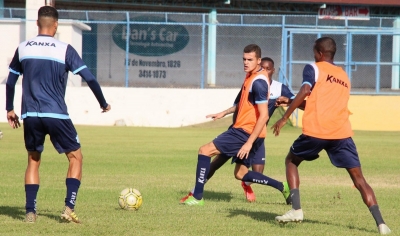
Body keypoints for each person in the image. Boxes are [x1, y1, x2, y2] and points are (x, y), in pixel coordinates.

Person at [271, 37, 391, 235]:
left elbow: (306, 90)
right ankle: (382, 225)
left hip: (317, 130)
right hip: (341, 133)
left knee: (291, 161)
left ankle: (296, 210)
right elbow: (319, 104)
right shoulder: (343, 76)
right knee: (359, 180)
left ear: (318, 53)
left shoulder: (314, 68)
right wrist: (290, 101)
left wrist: (285, 117)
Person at [6, 6, 111, 224]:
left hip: (31, 114)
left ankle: (30, 213)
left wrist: (10, 109)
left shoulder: (23, 48)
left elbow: (11, 81)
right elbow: (89, 78)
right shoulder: (65, 49)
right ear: (55, 25)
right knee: (75, 157)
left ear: (37, 23)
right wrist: (103, 102)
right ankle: (68, 208)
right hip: (56, 114)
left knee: (33, 160)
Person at [181, 44, 291, 206]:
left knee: (205, 151)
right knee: (240, 174)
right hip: (249, 132)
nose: (246, 63)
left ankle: (197, 197)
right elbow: (244, 104)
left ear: (258, 60)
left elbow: (264, 116)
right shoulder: (252, 76)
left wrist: (248, 143)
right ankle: (283, 187)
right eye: (244, 59)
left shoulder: (259, 82)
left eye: (250, 60)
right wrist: (224, 113)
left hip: (244, 132)